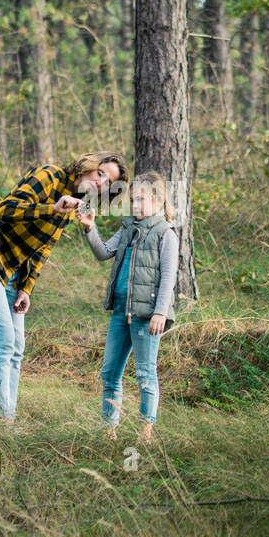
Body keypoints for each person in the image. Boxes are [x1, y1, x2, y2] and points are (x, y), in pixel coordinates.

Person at [0, 151, 126, 425]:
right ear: (88, 166)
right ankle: (0, 424)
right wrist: (52, 207)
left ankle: (7, 420)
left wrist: (26, 288)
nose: (100, 184)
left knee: (17, 346)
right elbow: (6, 210)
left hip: (12, 273)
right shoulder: (49, 176)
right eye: (100, 174)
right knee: (4, 341)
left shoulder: (77, 204)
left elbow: (43, 248)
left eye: (108, 183)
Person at [78, 171, 178, 442]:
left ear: (158, 200)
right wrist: (90, 228)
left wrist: (160, 311)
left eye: (141, 199)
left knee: (145, 373)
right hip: (122, 313)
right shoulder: (127, 229)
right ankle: (109, 430)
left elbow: (168, 277)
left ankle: (145, 433)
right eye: (132, 200)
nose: (135, 205)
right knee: (109, 372)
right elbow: (103, 253)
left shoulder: (165, 234)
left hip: (146, 316)